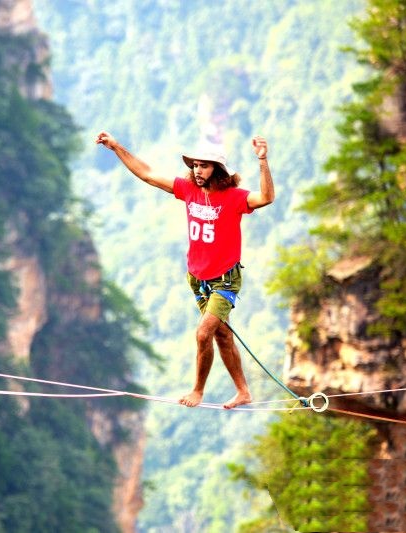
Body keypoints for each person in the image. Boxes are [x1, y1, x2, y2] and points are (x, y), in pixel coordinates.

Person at [95, 132, 274, 409]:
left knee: (203, 334)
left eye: (203, 165)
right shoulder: (188, 190)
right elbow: (148, 174)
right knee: (222, 334)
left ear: (218, 170)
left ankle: (197, 391)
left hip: (225, 280)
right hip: (198, 279)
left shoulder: (234, 197)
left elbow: (266, 197)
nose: (197, 170)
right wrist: (116, 146)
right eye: (195, 165)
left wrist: (262, 161)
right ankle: (243, 391)